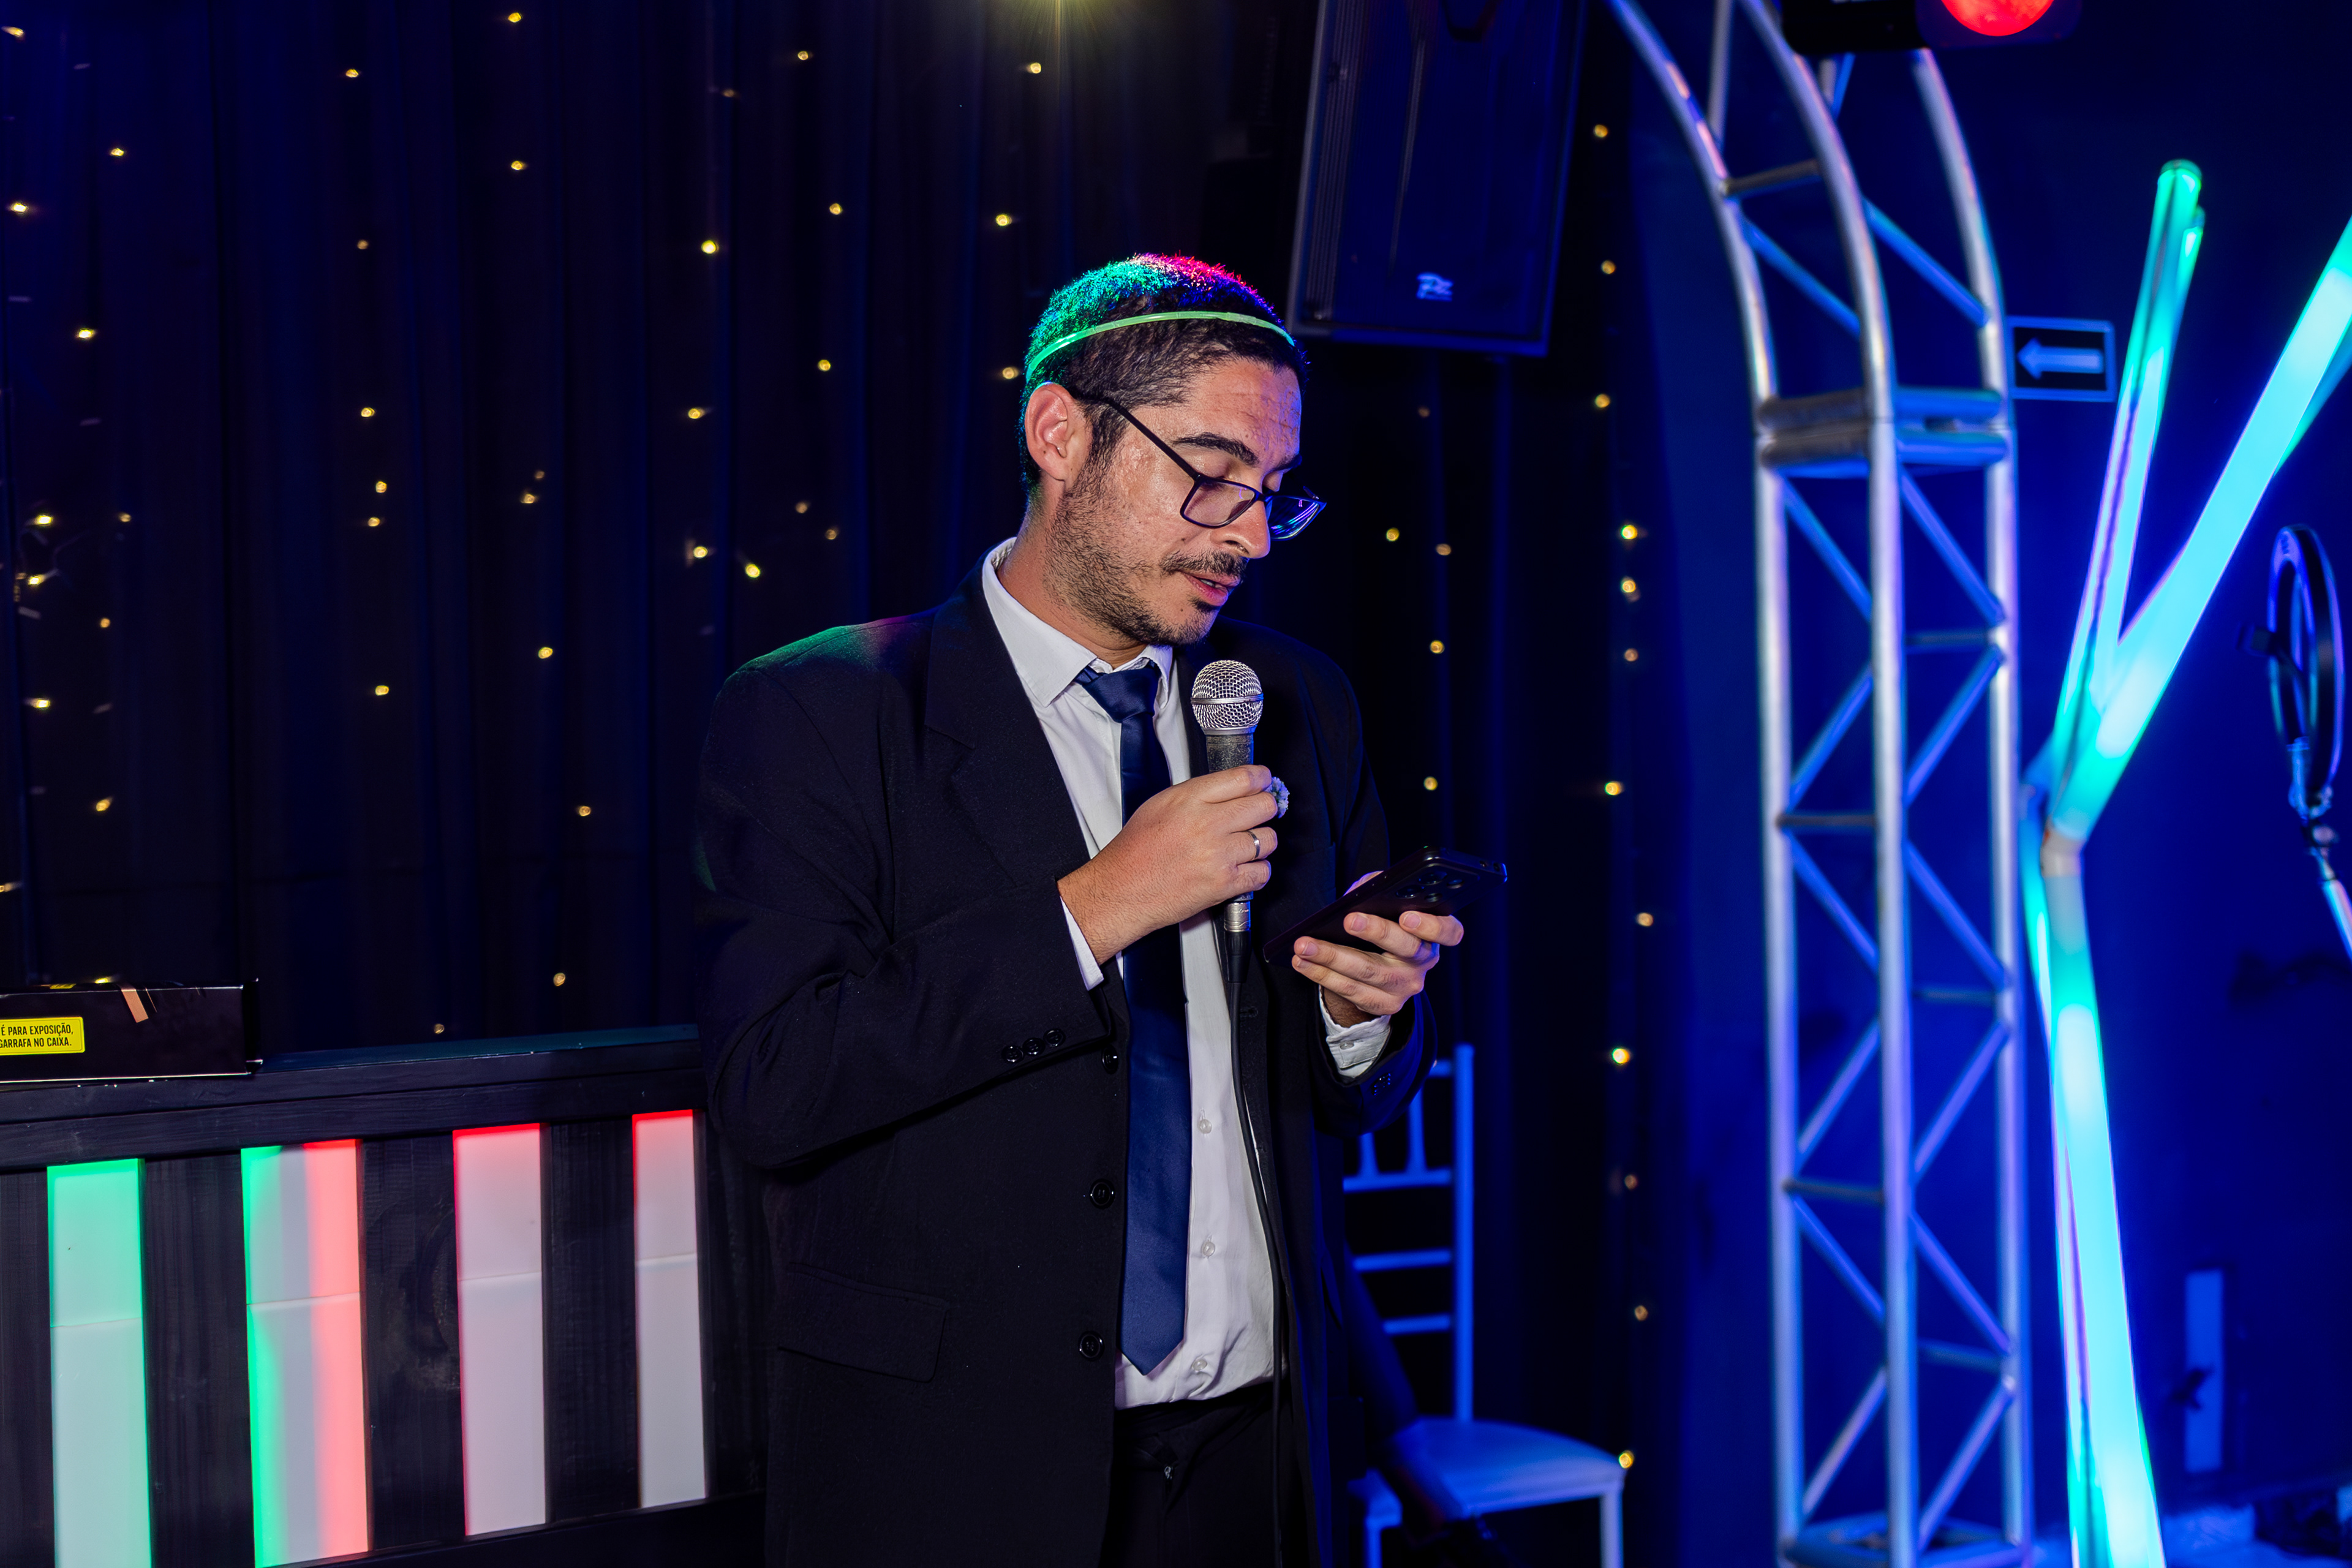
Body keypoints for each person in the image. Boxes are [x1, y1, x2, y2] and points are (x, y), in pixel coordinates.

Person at [695, 254, 1468, 1567]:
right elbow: (776, 1083)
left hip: (1254, 1464)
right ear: (1061, 434)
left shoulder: (1298, 699)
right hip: (956, 1476)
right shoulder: (823, 709)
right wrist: (1095, 908)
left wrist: (1360, 1016)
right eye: (1212, 474)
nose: (1249, 536)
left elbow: (1332, 1102)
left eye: (1276, 493)